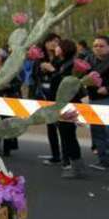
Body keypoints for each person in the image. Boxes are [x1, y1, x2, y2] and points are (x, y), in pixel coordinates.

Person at [52, 39, 84, 178]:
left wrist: (53, 71)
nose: (56, 47)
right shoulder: (60, 62)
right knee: (65, 135)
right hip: (61, 103)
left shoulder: (71, 64)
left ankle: (76, 167)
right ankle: (70, 164)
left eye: (58, 46)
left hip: (69, 103)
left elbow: (66, 83)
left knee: (68, 135)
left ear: (64, 48)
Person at [33, 33, 62, 165]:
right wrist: (41, 69)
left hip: (59, 96)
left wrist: (51, 69)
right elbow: (34, 76)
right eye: (50, 41)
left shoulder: (61, 58)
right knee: (50, 126)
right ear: (45, 43)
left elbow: (62, 76)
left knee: (63, 126)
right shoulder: (40, 59)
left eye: (56, 41)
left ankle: (67, 157)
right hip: (44, 95)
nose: (53, 43)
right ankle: (55, 155)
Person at [86, 35, 109, 171]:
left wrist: (107, 89)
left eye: (101, 46)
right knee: (97, 131)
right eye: (95, 46)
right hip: (93, 99)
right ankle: (103, 160)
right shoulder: (89, 60)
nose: (98, 48)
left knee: (107, 130)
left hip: (106, 99)